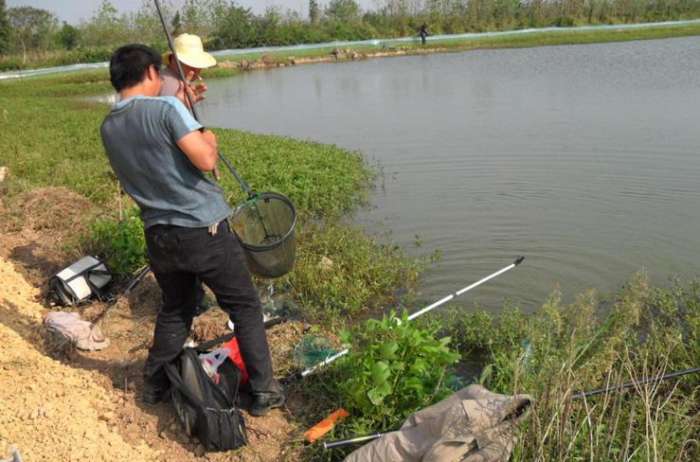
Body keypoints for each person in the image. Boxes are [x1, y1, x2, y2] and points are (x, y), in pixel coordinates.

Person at [100, 44, 284, 416]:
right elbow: (204, 158)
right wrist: (209, 136)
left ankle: (153, 386)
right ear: (152, 72)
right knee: (245, 306)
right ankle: (264, 391)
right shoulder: (165, 108)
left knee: (176, 308)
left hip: (159, 234)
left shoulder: (108, 125)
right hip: (204, 228)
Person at [159, 33, 215, 104]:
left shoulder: (164, 76)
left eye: (198, 63)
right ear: (174, 59)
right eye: (191, 63)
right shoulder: (172, 84)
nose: (197, 69)